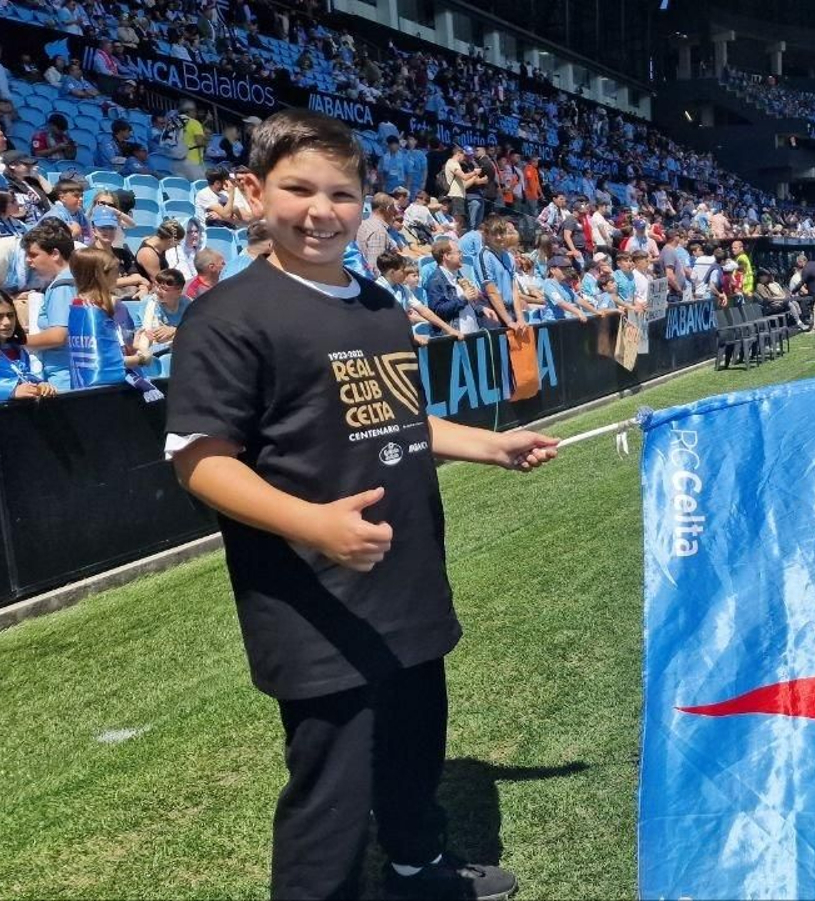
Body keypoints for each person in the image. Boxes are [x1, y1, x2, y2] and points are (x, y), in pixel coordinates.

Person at [165, 109, 554, 901]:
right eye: (298, 188)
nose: (320, 210)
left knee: (416, 740)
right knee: (331, 791)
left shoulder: (379, 305)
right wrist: (313, 524)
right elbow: (200, 462)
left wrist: (491, 444)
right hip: (315, 599)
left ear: (364, 198)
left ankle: (418, 867)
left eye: (341, 193)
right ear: (253, 191)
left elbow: (400, 417)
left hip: (405, 579)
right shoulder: (228, 316)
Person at [67, 246, 153, 388]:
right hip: (106, 390)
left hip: (83, 386)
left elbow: (114, 350)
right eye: (115, 270)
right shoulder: (96, 312)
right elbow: (106, 364)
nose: (119, 274)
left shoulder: (77, 306)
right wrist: (142, 358)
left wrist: (133, 346)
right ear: (101, 275)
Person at [19, 220, 81, 389]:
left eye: (33, 255)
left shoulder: (61, 286)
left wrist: (17, 340)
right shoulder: (76, 278)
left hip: (65, 378)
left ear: (54, 254)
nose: (28, 261)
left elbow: (58, 335)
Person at [376, 250, 459, 344]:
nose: (405, 273)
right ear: (392, 272)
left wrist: (448, 329)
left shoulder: (401, 289)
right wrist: (412, 336)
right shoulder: (377, 290)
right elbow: (387, 321)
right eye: (402, 270)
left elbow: (423, 310)